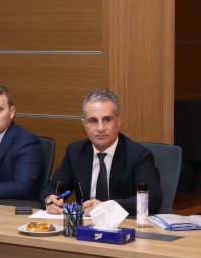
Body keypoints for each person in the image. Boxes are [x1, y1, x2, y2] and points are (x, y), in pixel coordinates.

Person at [41, 88, 162, 216]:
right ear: (84, 125)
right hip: (86, 225)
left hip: (123, 225)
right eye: (93, 121)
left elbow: (151, 200)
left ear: (119, 121)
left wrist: (107, 207)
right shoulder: (75, 152)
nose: (100, 128)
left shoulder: (138, 155)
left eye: (107, 120)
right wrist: (50, 199)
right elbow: (53, 187)